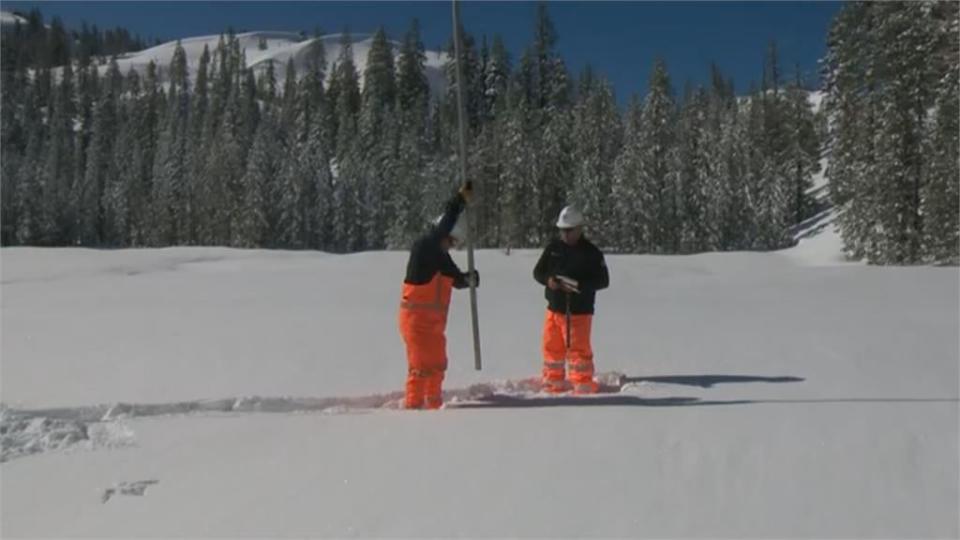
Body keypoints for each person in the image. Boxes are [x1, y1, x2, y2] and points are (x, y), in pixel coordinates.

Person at [398, 183, 479, 409]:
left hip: (433, 326)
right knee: (420, 367)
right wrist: (459, 201)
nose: (451, 247)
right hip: (416, 324)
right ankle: (413, 407)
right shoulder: (424, 248)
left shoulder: (441, 257)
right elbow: (438, 235)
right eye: (451, 241)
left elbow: (456, 279)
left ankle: (434, 404)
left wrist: (470, 279)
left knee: (437, 365)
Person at [532, 205, 609, 394]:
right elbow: (538, 272)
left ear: (579, 229)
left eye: (569, 230)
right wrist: (549, 281)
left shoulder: (591, 253)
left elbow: (603, 280)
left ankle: (582, 384)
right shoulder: (553, 248)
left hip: (579, 312)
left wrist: (579, 285)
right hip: (554, 309)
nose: (565, 234)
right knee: (551, 349)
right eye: (562, 230)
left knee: (578, 351)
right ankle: (552, 382)